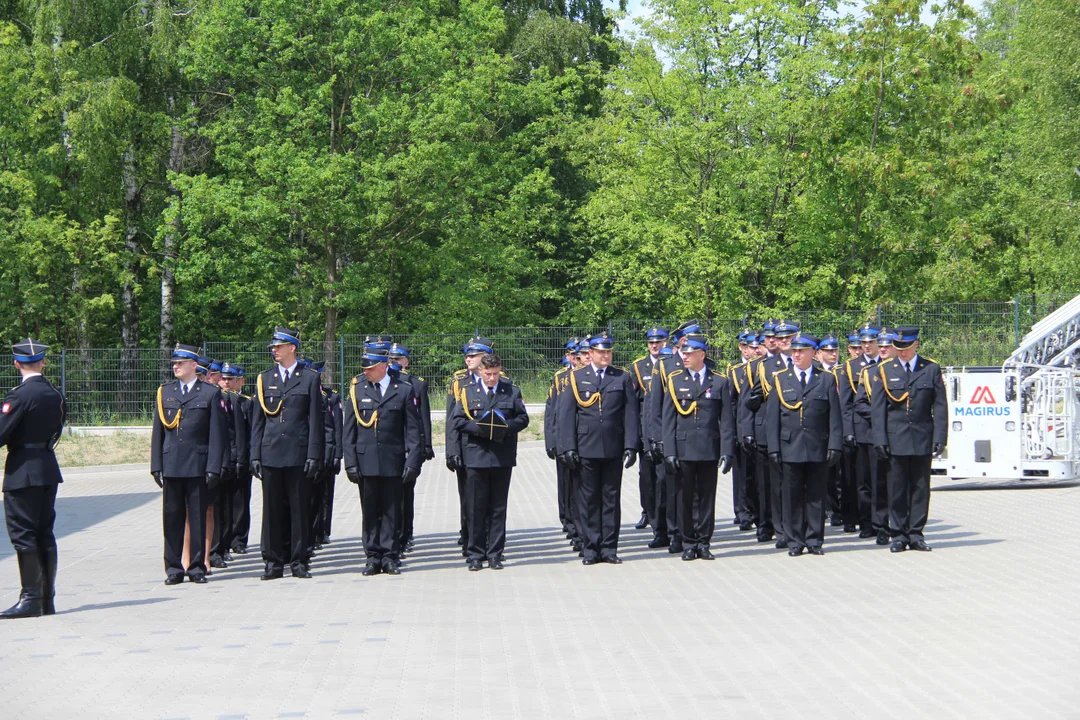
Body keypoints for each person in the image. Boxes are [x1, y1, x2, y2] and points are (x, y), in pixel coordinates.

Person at [556, 332, 639, 565]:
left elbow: (630, 414)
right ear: (590, 354)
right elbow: (566, 416)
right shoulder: (576, 378)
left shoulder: (621, 377)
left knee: (611, 499)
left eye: (608, 351)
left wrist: (631, 445)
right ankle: (591, 548)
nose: (606, 355)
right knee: (588, 499)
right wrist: (568, 447)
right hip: (586, 447)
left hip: (613, 446)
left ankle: (609, 548)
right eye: (601, 352)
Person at [250, 327, 324, 580]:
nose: (274, 350)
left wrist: (314, 455)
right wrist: (255, 455)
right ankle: (273, 562)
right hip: (271, 453)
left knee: (299, 509)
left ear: (292, 348)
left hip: (298, 453)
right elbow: (258, 422)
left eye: (279, 346)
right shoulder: (264, 378)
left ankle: (299, 561)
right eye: (273, 346)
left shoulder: (310, 378)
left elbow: (315, 420)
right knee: (272, 511)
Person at [151, 343, 227, 586]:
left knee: (197, 517)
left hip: (197, 464)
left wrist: (214, 467)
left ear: (194, 365)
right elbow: (158, 432)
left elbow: (217, 435)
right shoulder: (165, 392)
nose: (176, 366)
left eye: (180, 363)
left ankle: (196, 566)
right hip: (172, 464)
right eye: (174, 363)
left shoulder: (209, 393)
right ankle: (173, 568)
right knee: (171, 518)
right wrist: (156, 465)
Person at [0, 339, 66, 618]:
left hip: (22, 470)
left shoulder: (18, 396)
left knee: (23, 535)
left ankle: (30, 598)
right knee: (44, 533)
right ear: (43, 362)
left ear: (16, 363)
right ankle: (46, 599)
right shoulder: (55, 394)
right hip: (47, 466)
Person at [343, 346, 423, 575]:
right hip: (365, 460)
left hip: (393, 460)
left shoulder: (404, 390)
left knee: (391, 511)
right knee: (369, 511)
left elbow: (412, 431)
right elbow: (349, 431)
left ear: (382, 366)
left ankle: (389, 556)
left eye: (370, 368)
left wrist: (412, 463)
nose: (365, 372)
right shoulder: (358, 390)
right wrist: (350, 462)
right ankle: (372, 556)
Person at [870, 327, 948, 553]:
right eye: (898, 348)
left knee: (920, 488)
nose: (901, 352)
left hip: (922, 437)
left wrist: (940, 436)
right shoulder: (885, 370)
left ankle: (916, 534)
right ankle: (898, 535)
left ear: (916, 344)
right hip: (895, 439)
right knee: (896, 488)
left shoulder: (930, 368)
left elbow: (940, 406)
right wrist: (880, 439)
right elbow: (878, 410)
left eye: (905, 348)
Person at [449, 353, 529, 570]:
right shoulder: (467, 392)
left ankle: (495, 553)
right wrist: (481, 429)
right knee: (475, 506)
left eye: (495, 374)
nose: (492, 378)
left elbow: (523, 418)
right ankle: (475, 553)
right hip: (476, 455)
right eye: (487, 374)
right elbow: (457, 420)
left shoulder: (511, 391)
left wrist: (504, 429)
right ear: (480, 372)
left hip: (502, 456)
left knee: (497, 507)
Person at [765, 333, 842, 556]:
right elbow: (773, 419)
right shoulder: (780, 379)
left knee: (817, 496)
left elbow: (834, 417)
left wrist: (835, 445)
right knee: (792, 496)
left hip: (818, 445)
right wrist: (774, 448)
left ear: (812, 353)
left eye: (801, 351)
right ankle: (794, 541)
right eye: (794, 351)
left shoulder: (826, 379)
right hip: (790, 446)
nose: (796, 354)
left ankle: (815, 540)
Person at [661, 336, 735, 560]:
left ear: (701, 355)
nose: (684, 356)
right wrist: (670, 452)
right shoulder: (674, 380)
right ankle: (688, 542)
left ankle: (704, 542)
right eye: (683, 352)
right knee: (684, 497)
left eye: (689, 353)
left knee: (706, 497)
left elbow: (726, 420)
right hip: (683, 449)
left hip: (708, 448)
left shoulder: (719, 382)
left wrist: (727, 450)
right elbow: (668, 420)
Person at [445, 337, 493, 552]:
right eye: (467, 355)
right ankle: (468, 535)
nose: (468, 358)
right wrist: (452, 450)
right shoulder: (459, 381)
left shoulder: (498, 378)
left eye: (473, 355)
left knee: (491, 497)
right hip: (466, 446)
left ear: (485, 357)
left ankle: (490, 537)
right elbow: (451, 419)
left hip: (492, 449)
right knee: (467, 495)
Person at [389, 343, 432, 555]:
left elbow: (423, 417)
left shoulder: (416, 384)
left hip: (409, 447)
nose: (394, 362)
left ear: (407, 361)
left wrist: (426, 445)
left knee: (406, 495)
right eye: (391, 358)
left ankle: (406, 534)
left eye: (399, 359)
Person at [630, 327, 669, 545]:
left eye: (659, 341)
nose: (655, 345)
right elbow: (634, 403)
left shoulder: (672, 363)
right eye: (651, 342)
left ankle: (661, 520)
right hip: (645, 428)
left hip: (665, 426)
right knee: (647, 477)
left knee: (663, 477)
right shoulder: (638, 367)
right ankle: (648, 511)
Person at [545, 338, 578, 541]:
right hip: (562, 439)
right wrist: (551, 441)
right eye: (573, 354)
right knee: (565, 482)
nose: (576, 357)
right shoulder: (560, 378)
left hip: (583, 440)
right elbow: (552, 411)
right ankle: (566, 518)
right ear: (567, 356)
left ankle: (578, 520)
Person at [221, 364, 254, 555]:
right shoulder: (218, 400)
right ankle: (224, 540)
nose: (226, 382)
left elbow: (251, 432)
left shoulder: (247, 402)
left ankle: (239, 539)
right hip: (225, 458)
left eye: (230, 379)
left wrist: (250, 459)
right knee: (223, 503)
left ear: (241, 380)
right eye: (224, 379)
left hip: (242, 457)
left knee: (241, 501)